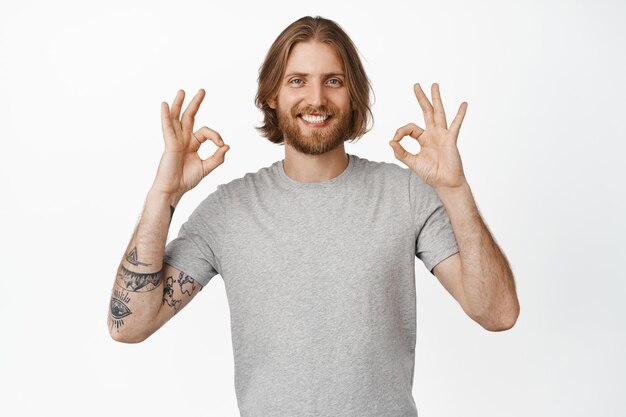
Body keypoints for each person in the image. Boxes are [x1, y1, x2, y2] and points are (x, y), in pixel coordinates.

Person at [107, 15, 520, 417]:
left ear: (353, 94)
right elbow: (129, 326)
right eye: (297, 80)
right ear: (272, 95)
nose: (317, 99)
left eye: (333, 81)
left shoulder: (405, 196)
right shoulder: (229, 210)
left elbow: (497, 313)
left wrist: (455, 191)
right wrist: (164, 195)